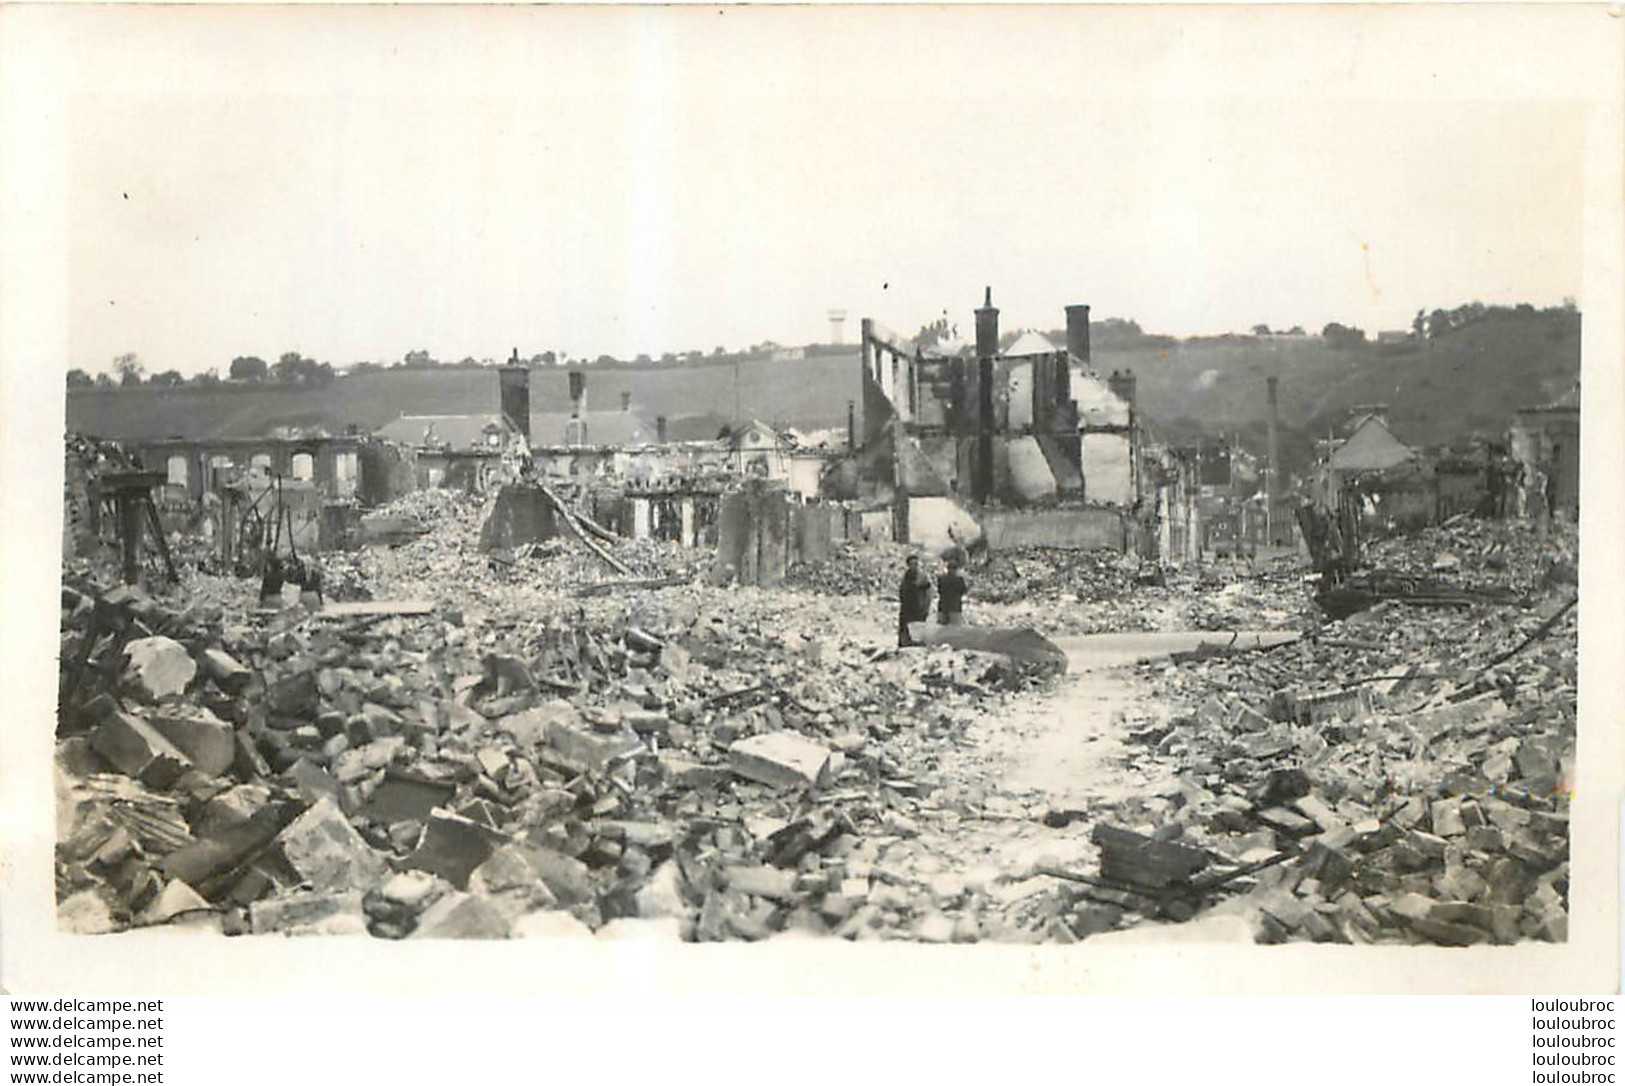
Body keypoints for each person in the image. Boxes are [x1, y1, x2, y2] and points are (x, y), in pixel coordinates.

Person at [897, 554, 933, 647]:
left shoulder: (923, 577)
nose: (914, 566)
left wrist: (926, 605)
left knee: (919, 626)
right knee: (905, 626)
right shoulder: (906, 577)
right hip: (908, 607)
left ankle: (918, 643)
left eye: (916, 564)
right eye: (912, 564)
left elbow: (929, 591)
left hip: (920, 607)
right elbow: (902, 591)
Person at [936, 556, 968, 626]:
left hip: (943, 606)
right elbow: (964, 591)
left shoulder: (942, 579)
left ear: (947, 568)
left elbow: (939, 591)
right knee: (954, 630)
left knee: (941, 629)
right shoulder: (959, 580)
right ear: (956, 569)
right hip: (955, 607)